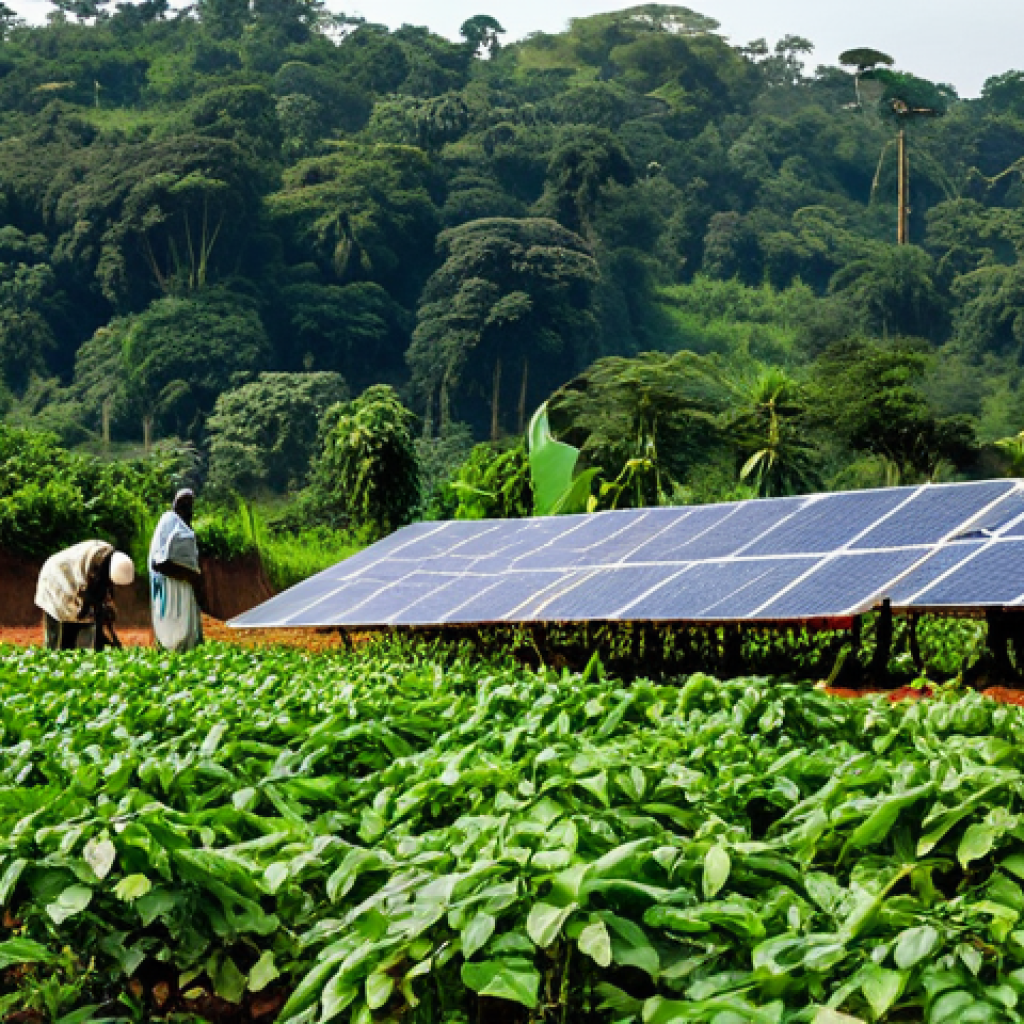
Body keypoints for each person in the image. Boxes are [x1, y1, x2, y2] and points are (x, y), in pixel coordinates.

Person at [35, 541, 135, 651]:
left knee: (85, 625)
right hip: (55, 580)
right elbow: (89, 599)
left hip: (75, 586)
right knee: (59, 639)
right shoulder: (92, 570)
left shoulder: (108, 562)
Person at [149, 489, 204, 653]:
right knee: (173, 617)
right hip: (168, 582)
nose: (188, 508)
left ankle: (185, 649)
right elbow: (161, 557)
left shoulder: (182, 523)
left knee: (186, 617)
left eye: (190, 504)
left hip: (183, 581)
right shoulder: (169, 520)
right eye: (184, 504)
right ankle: (171, 648)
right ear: (176, 504)